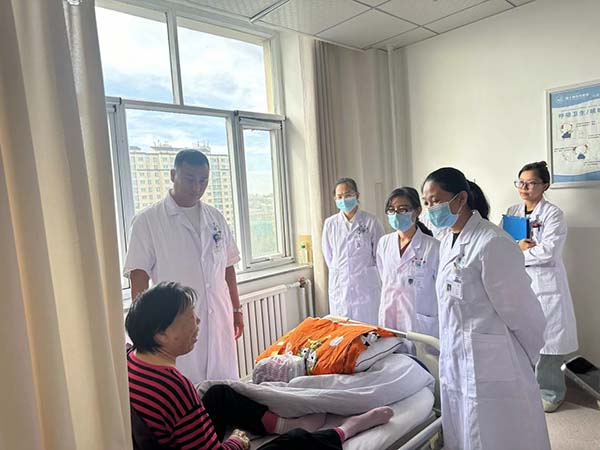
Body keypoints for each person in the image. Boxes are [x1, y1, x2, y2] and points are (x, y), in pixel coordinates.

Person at [126, 282, 394, 450]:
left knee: (219, 394)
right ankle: (346, 429)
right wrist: (237, 443)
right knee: (297, 442)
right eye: (188, 318)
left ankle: (281, 424)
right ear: (161, 334)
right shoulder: (174, 387)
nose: (197, 322)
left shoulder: (129, 360)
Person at [422, 167, 550, 450]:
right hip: (457, 355)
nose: (431, 209)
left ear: (461, 199)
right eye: (427, 202)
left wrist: (528, 356)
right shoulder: (447, 241)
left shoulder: (493, 242)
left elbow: (523, 312)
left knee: (498, 432)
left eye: (436, 201)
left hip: (493, 359)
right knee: (464, 428)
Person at [124, 149, 242, 383]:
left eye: (203, 180)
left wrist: (237, 310)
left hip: (218, 316)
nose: (197, 187)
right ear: (172, 175)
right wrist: (144, 330)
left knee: (224, 388)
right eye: (190, 179)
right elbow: (139, 277)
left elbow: (228, 267)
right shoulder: (148, 221)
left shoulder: (215, 218)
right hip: (175, 324)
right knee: (185, 386)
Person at [506, 161, 578, 412]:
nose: (524, 188)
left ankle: (551, 393)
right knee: (522, 337)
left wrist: (519, 251)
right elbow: (503, 245)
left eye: (531, 183)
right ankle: (526, 388)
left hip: (546, 284)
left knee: (549, 341)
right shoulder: (512, 212)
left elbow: (548, 252)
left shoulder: (553, 214)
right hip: (519, 282)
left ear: (545, 185)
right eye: (521, 182)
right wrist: (518, 248)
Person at [376, 187, 439, 345]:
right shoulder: (384, 243)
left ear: (417, 211)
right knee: (391, 355)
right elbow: (384, 275)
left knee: (421, 357)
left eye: (403, 209)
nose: (396, 215)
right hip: (389, 316)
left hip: (419, 321)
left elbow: (441, 288)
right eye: (392, 210)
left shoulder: (433, 247)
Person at [322, 178, 384, 324]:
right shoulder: (330, 224)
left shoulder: (371, 221)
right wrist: (341, 270)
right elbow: (329, 255)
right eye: (339, 196)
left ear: (357, 195)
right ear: (335, 199)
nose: (344, 199)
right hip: (340, 287)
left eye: (348, 195)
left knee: (368, 328)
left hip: (366, 286)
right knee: (343, 328)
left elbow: (380, 256)